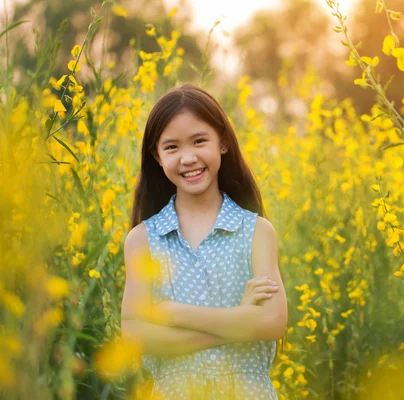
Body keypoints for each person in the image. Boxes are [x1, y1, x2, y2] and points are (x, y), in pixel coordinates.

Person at [121, 82, 288, 399]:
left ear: (223, 142)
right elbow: (134, 334)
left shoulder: (256, 231)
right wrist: (239, 322)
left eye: (199, 141)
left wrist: (174, 314)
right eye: (171, 147)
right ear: (156, 156)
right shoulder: (142, 239)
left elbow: (272, 321)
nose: (188, 158)